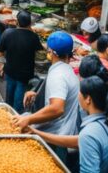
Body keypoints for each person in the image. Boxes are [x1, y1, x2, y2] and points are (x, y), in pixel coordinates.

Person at [30, 72, 108, 173]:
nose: (78, 95)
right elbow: (78, 141)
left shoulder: (90, 134)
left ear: (88, 99)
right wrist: (36, 133)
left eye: (80, 92)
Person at [12, 31, 80, 162]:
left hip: (55, 138)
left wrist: (29, 119)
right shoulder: (66, 70)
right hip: (60, 132)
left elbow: (57, 108)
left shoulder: (58, 75)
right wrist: (39, 94)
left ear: (51, 52)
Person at [0, 11, 43, 113]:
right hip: (24, 75)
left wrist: (1, 65)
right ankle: (17, 119)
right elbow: (40, 53)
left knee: (9, 96)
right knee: (19, 101)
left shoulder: (7, 33)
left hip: (10, 71)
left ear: (17, 22)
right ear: (30, 23)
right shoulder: (33, 37)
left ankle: (7, 114)